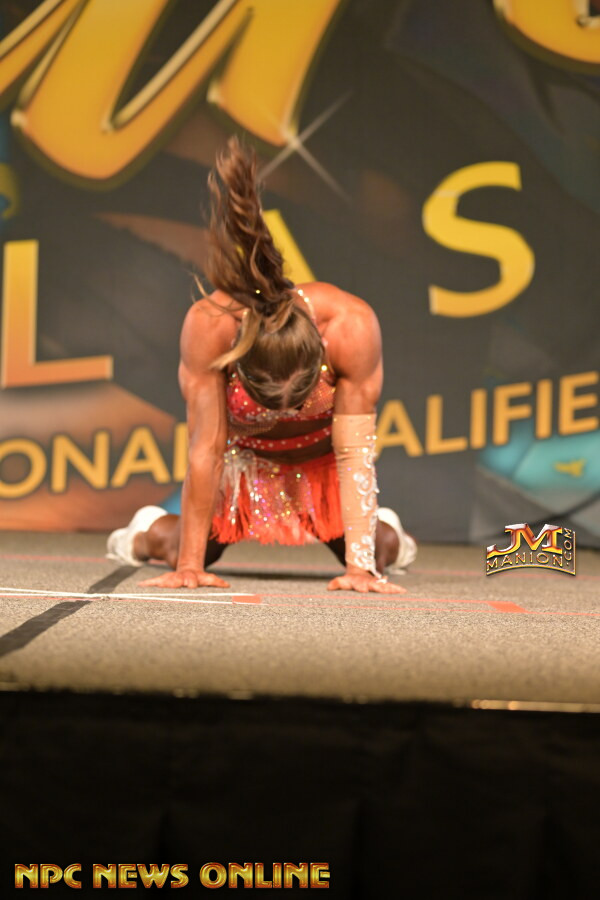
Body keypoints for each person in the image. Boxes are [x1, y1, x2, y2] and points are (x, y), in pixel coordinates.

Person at [107, 137, 416, 593]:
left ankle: (384, 532)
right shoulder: (211, 325)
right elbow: (206, 449)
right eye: (272, 400)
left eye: (298, 398)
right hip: (246, 464)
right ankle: (144, 531)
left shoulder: (351, 326)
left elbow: (354, 454)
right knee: (180, 549)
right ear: (242, 359)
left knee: (379, 553)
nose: (286, 410)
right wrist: (190, 566)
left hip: (322, 465)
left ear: (318, 351)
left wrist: (360, 569)